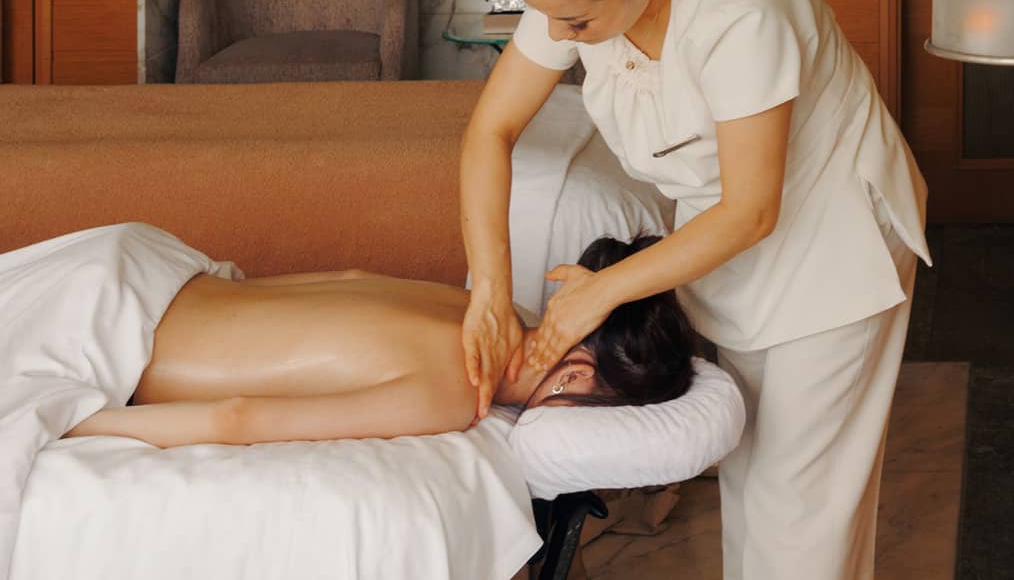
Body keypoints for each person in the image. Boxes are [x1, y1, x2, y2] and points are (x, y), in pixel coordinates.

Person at [458, 0, 930, 579]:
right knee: (755, 485)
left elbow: (750, 210)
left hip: (831, 244)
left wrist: (604, 289)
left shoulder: (740, 10)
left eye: (574, 26)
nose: (554, 38)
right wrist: (488, 288)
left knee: (798, 518)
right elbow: (491, 129)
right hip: (733, 242)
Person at [66, 236, 696, 449]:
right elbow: (240, 417)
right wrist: (75, 427)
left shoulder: (488, 307)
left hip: (140, 266)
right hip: (108, 338)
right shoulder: (456, 391)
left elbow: (349, 278)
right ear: (578, 377)